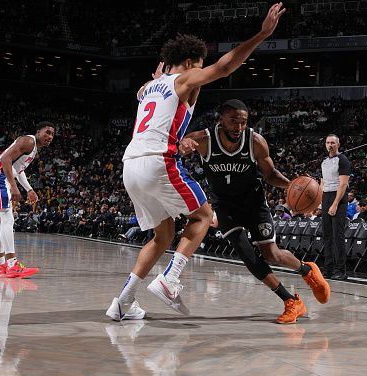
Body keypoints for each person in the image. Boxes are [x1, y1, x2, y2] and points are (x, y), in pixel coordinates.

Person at [106, 3, 287, 321]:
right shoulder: (184, 78)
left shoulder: (149, 88)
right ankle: (169, 280)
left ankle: (123, 302)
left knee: (162, 236)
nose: (199, 76)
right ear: (189, 63)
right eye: (197, 68)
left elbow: (142, 93)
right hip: (157, 160)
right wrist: (262, 34)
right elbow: (225, 67)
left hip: (130, 166)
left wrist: (157, 79)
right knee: (204, 216)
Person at [180, 99, 330, 324]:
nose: (238, 127)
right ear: (220, 119)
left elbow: (270, 174)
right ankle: (291, 301)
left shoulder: (255, 141)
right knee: (246, 253)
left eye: (243, 122)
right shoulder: (203, 140)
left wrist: (290, 186)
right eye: (233, 122)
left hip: (254, 203)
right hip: (225, 205)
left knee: (272, 254)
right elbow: (180, 146)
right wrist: (184, 145)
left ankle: (307, 270)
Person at [0, 122, 55, 277]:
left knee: (1, 220)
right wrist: (14, 187)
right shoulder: (29, 141)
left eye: (52, 135)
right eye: (47, 132)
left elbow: (18, 169)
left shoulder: (33, 147)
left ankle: (0, 264)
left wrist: (29, 189)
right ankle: (11, 265)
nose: (49, 136)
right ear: (38, 132)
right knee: (8, 219)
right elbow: (6, 160)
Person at [320, 134, 351, 280]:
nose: (330, 145)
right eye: (328, 142)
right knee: (327, 235)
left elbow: (343, 184)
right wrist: (320, 203)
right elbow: (322, 183)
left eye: (333, 142)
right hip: (326, 196)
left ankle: (341, 270)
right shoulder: (324, 161)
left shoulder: (343, 160)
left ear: (338, 144)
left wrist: (335, 204)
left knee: (338, 235)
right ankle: (328, 269)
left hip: (338, 197)